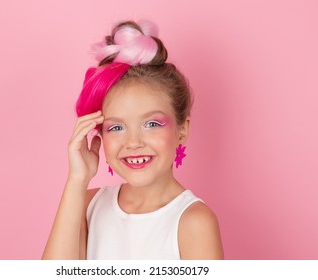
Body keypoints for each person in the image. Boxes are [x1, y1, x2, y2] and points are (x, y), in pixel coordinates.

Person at [42, 20, 224, 260]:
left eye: (151, 124)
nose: (133, 142)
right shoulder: (87, 204)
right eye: (116, 127)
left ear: (182, 130)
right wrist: (78, 179)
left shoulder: (193, 222)